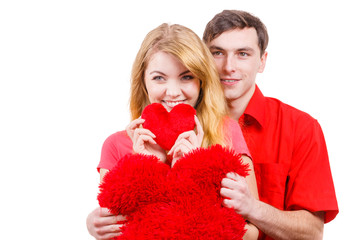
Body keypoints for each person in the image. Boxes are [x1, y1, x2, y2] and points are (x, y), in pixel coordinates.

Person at [87, 23, 259, 239]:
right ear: (143, 82)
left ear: (201, 82)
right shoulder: (116, 145)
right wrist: (146, 168)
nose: (173, 92)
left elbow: (253, 231)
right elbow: (115, 230)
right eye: (159, 78)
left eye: (186, 77)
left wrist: (195, 171)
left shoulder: (226, 131)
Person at [204, 10, 339, 239]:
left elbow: (312, 233)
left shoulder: (301, 128)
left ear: (262, 62)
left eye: (243, 54)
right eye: (217, 53)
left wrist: (252, 207)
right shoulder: (185, 126)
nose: (228, 66)